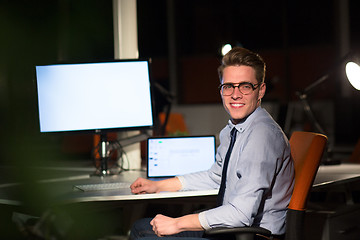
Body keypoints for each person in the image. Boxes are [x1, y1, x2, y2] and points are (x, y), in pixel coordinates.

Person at [129, 47, 294, 240]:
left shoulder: (261, 137)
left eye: (245, 86)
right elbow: (216, 177)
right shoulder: (234, 130)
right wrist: (158, 186)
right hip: (233, 230)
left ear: (261, 91)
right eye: (228, 86)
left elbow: (240, 215)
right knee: (141, 227)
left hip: (251, 235)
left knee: (146, 236)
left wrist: (177, 223)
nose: (235, 94)